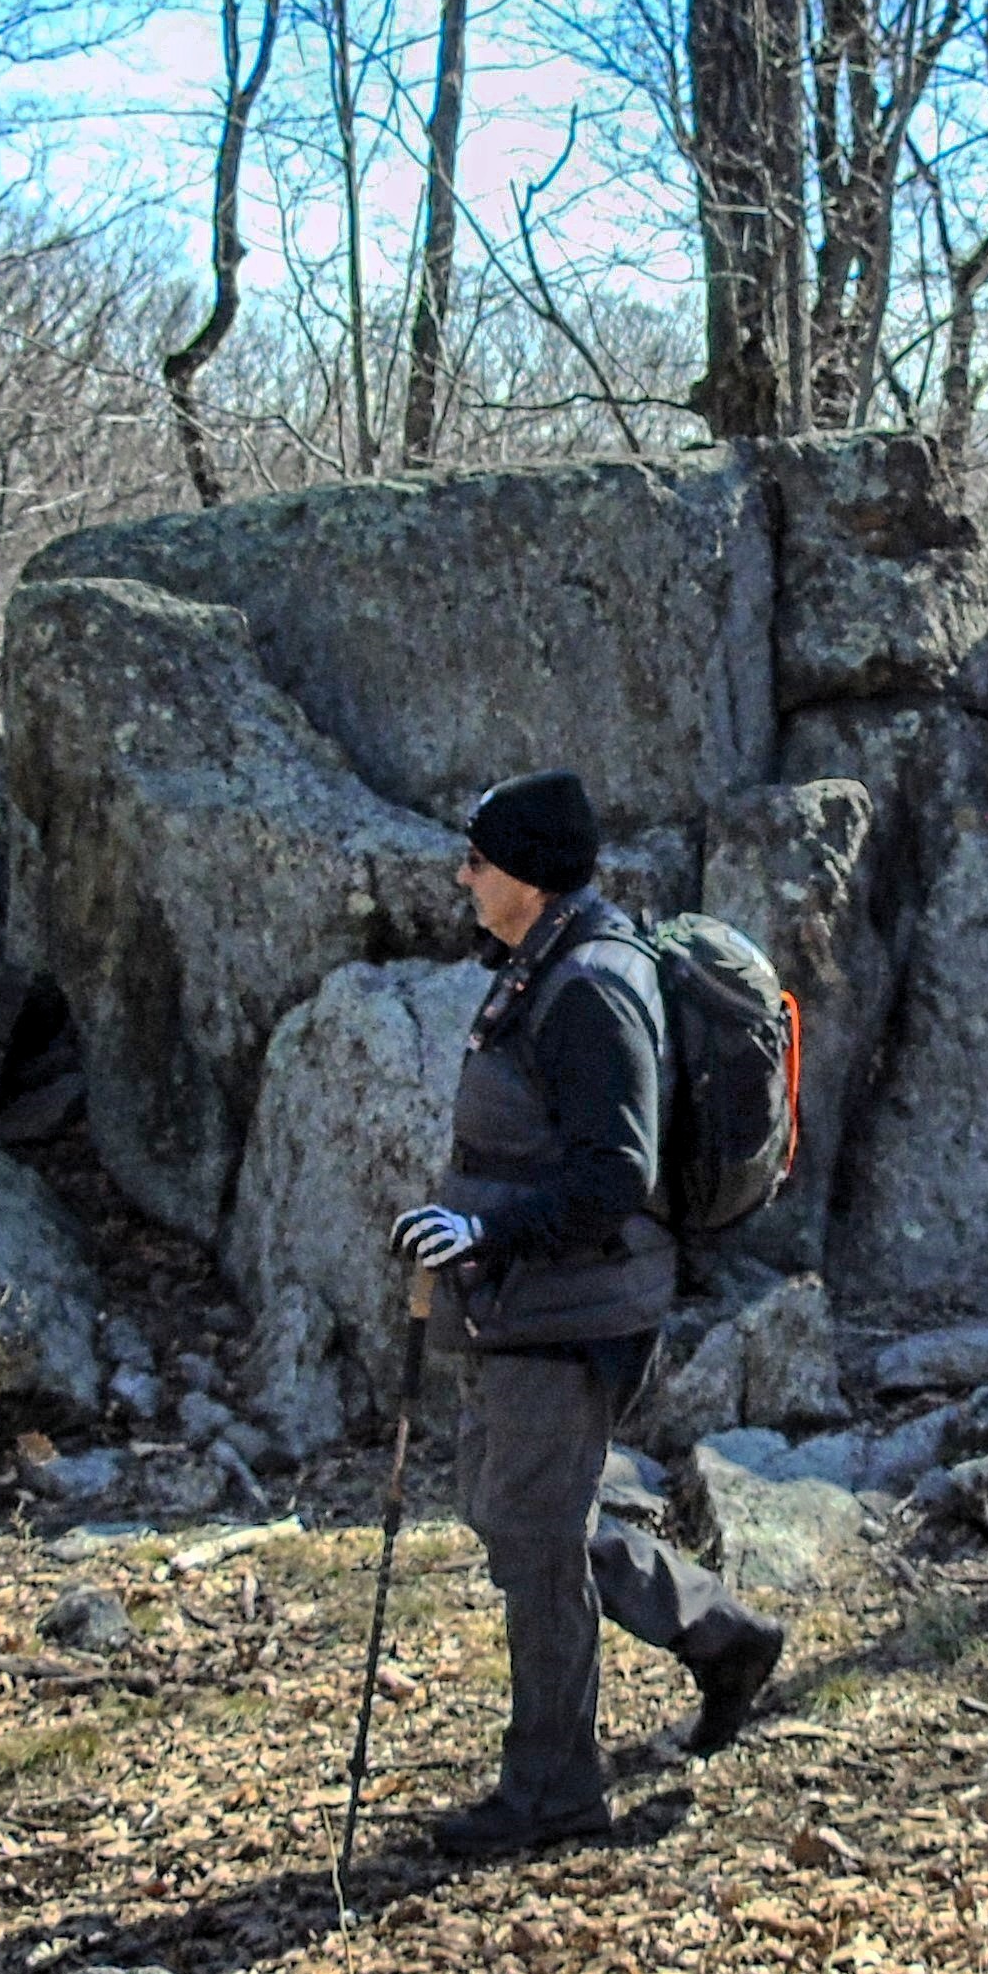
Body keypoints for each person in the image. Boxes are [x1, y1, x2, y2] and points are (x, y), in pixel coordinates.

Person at [389, 769, 785, 1855]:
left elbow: (615, 1170)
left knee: (531, 1534)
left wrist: (484, 1232)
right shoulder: (541, 960)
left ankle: (552, 1791)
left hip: (571, 1305)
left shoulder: (591, 984)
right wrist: (461, 1218)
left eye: (476, 858)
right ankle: (721, 1633)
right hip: (524, 1298)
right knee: (520, 1506)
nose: (462, 875)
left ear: (523, 871)